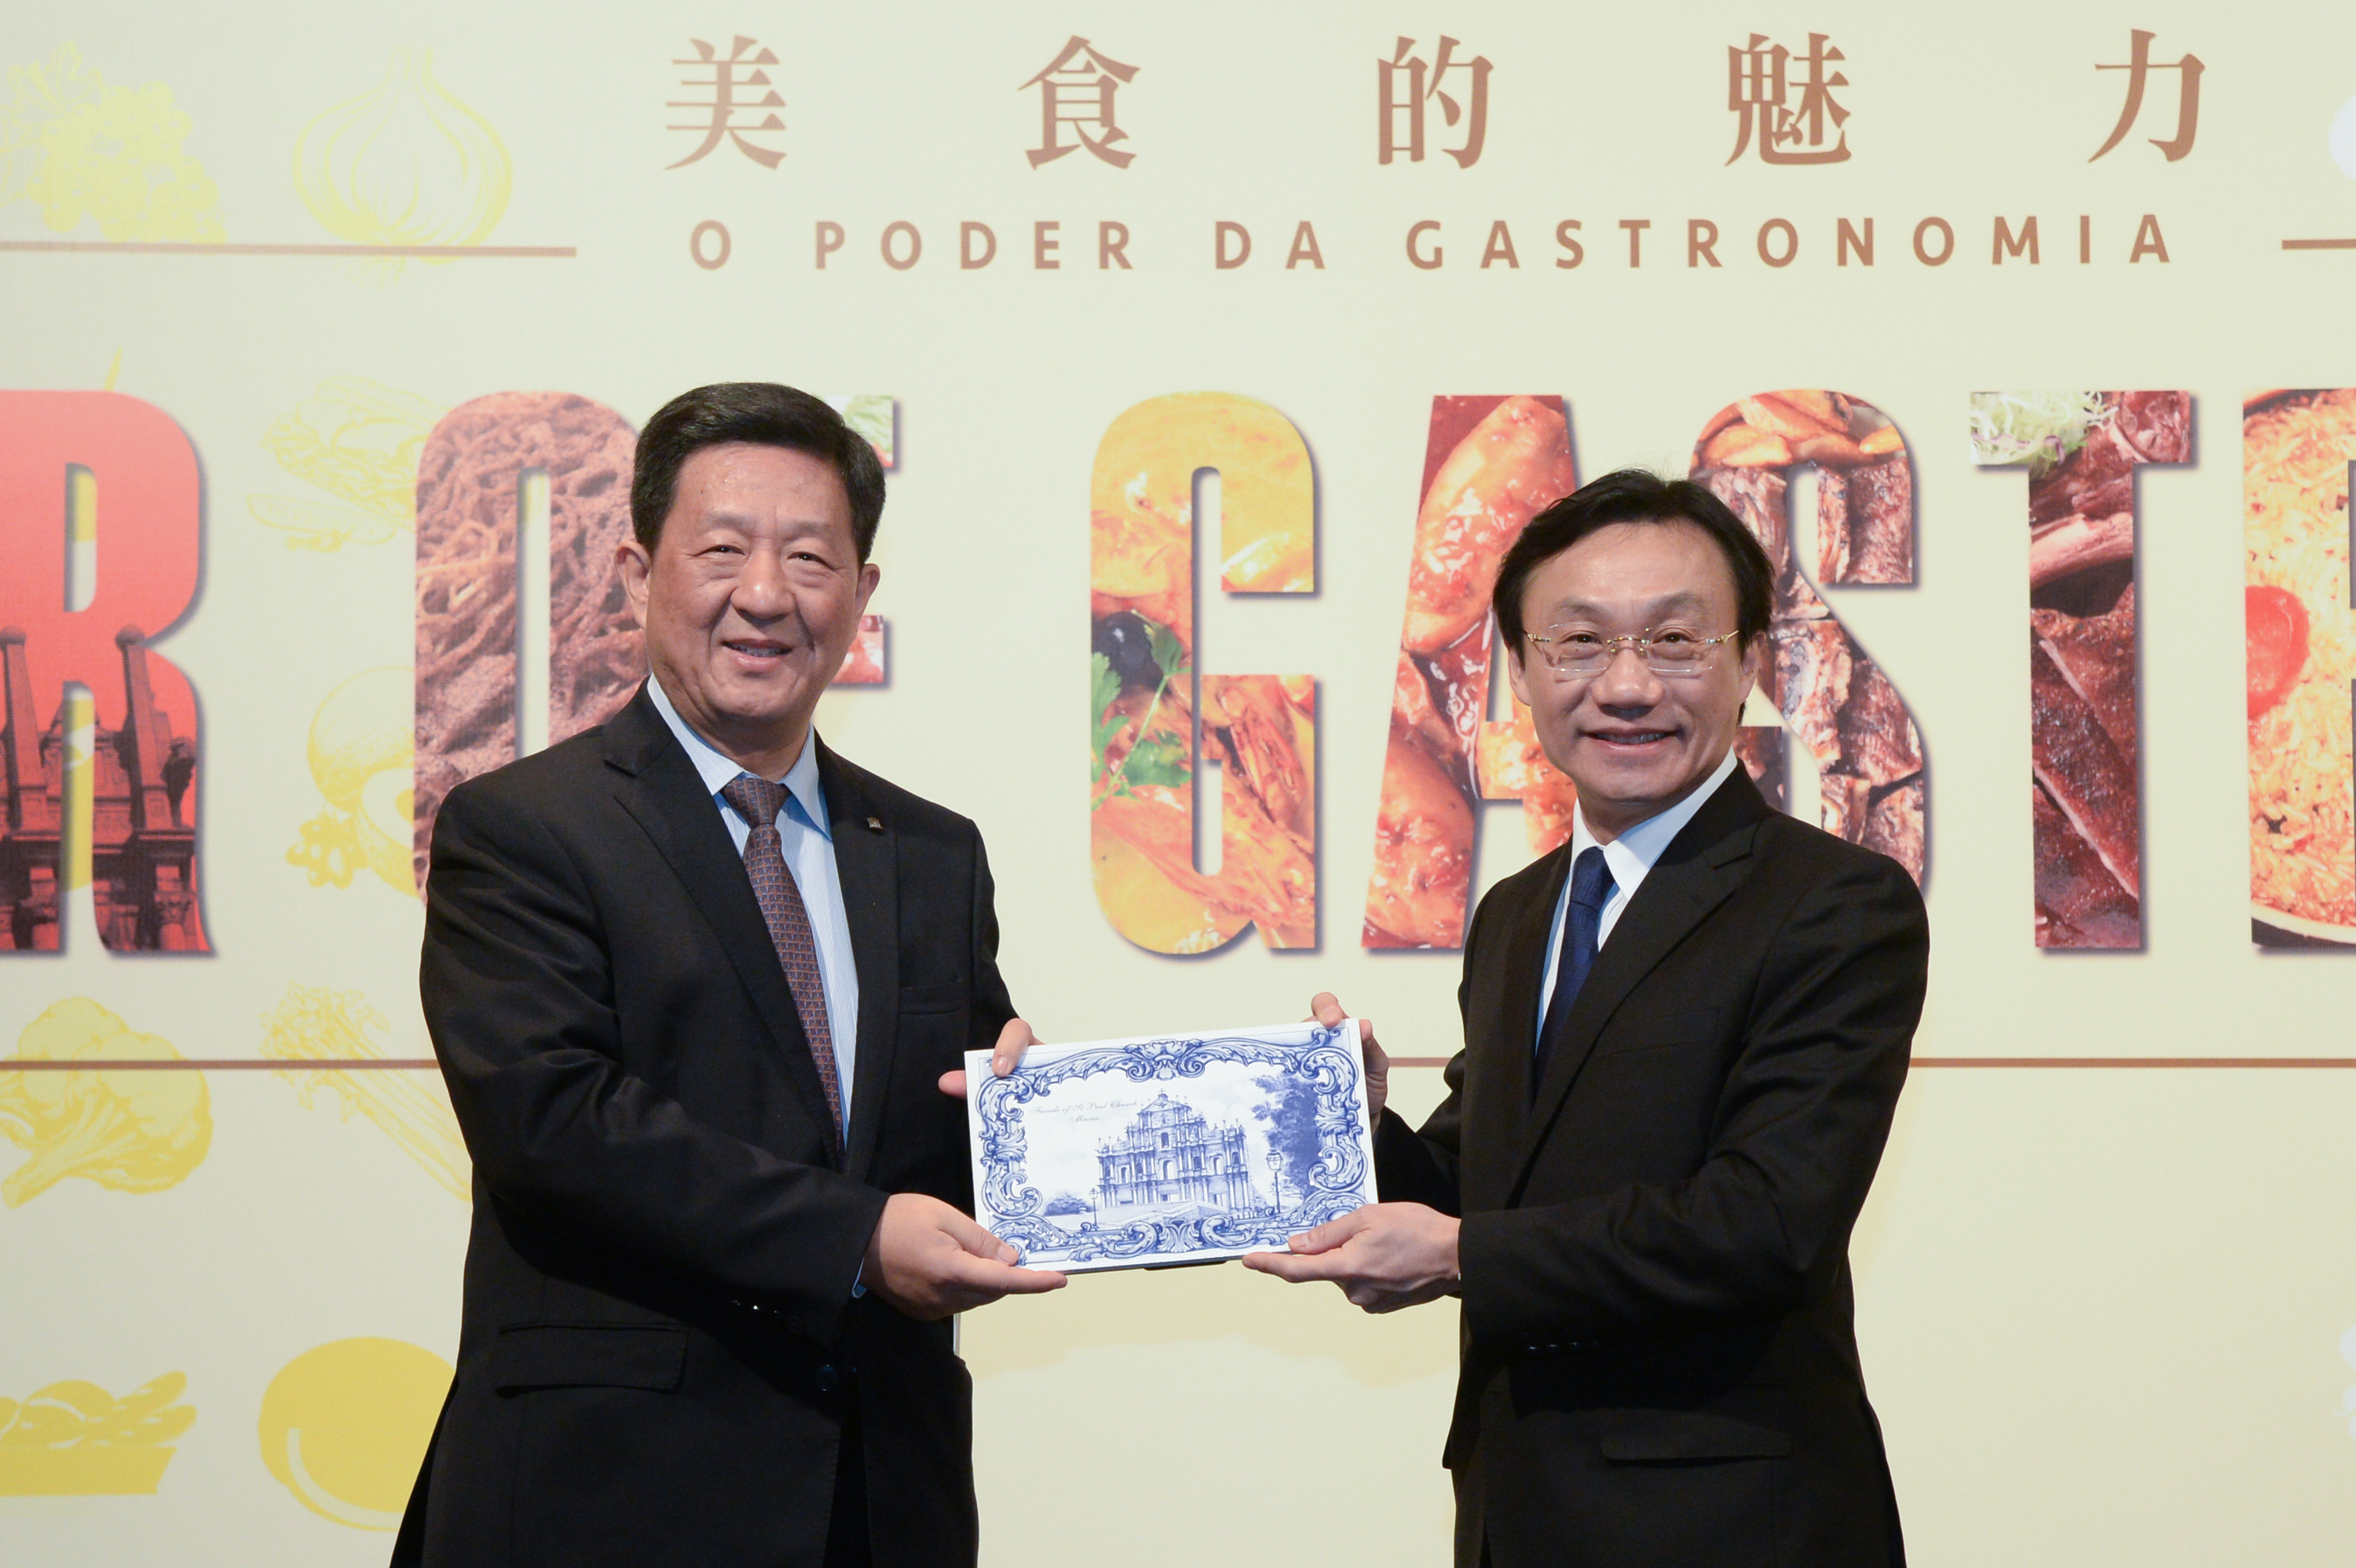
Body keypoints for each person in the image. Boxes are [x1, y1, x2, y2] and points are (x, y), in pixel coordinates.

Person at [393, 383, 1063, 1568]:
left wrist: (1021, 1117)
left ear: (861, 595)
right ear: (635, 572)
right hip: (607, 1501)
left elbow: (934, 1153)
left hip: (876, 1503)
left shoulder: (930, 852)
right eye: (722, 551)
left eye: (810, 557)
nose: (765, 593)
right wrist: (857, 1237)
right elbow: (555, 1125)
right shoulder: (523, 829)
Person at [1246, 469, 1929, 1568]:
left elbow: (1767, 1222)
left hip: (1733, 1529)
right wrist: (1359, 1124)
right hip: (1519, 1517)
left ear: (1752, 662)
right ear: (1521, 670)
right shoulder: (1520, 913)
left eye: (1675, 641)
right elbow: (1489, 1181)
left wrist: (1464, 1256)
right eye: (1578, 643)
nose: (1626, 685)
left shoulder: (1835, 904)